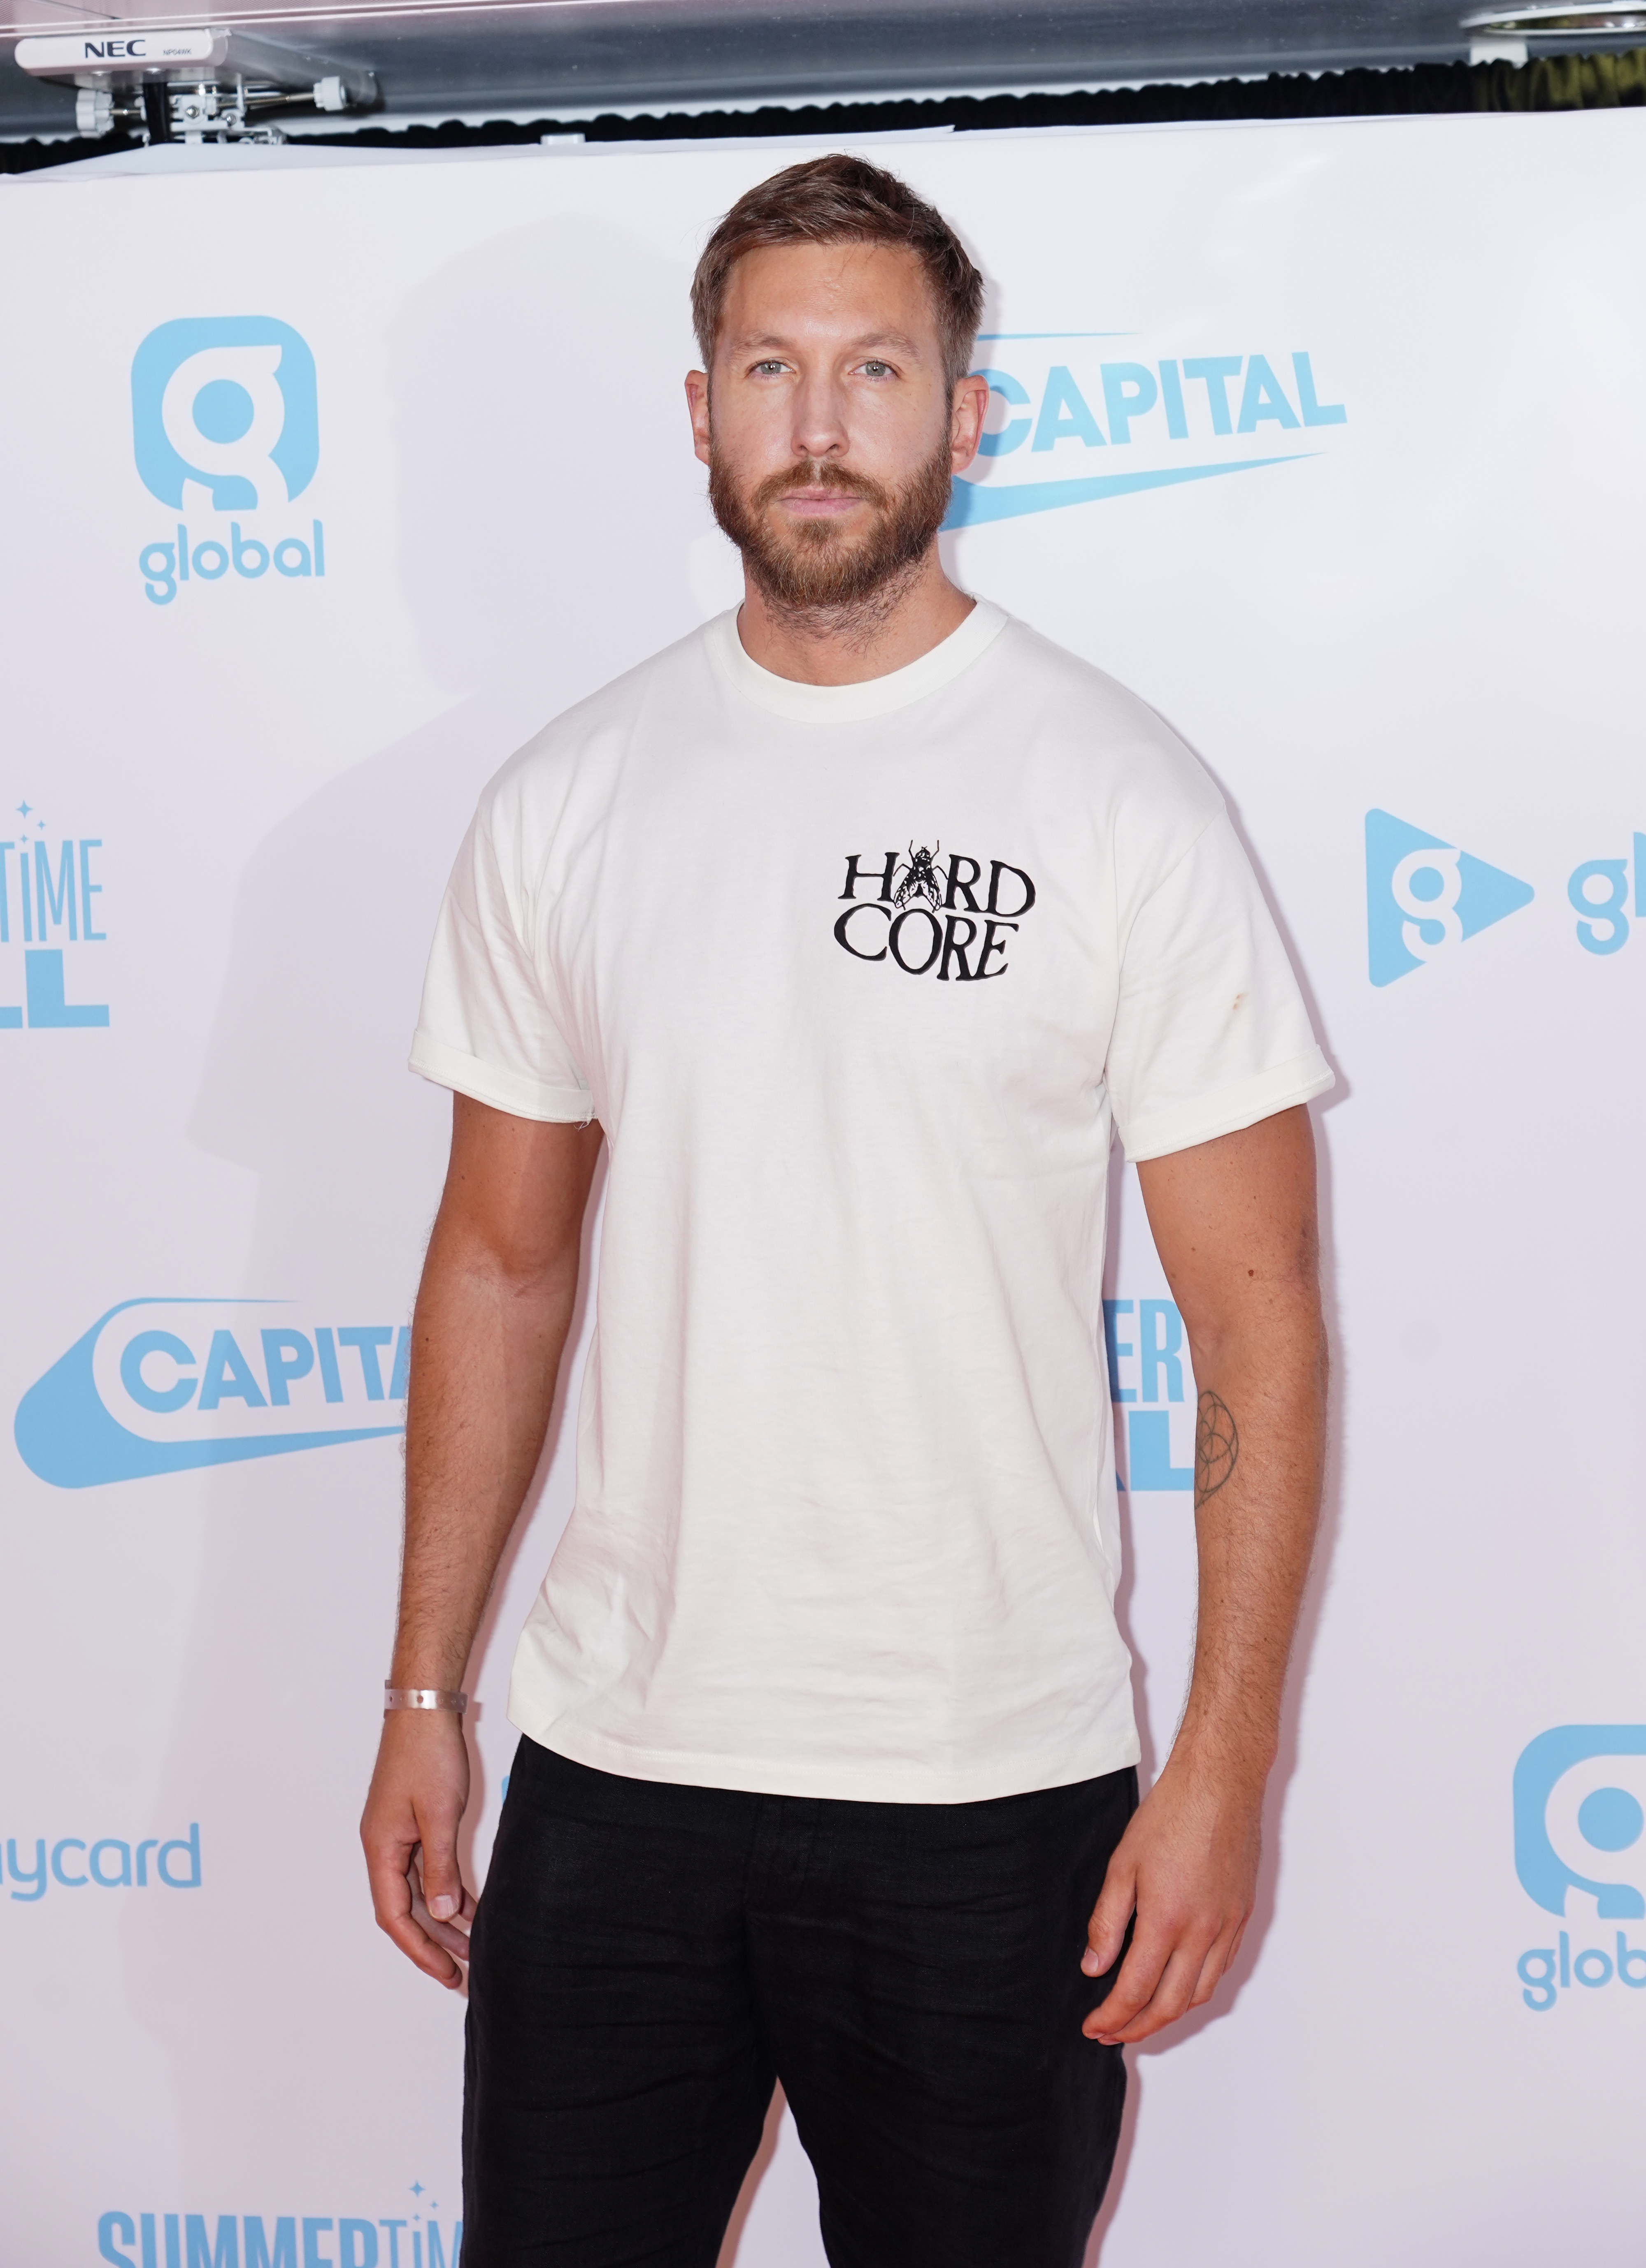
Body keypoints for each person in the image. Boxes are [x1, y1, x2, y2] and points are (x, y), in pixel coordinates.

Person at [361, 152, 1332, 2268]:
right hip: (617, 1768)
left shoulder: (1115, 793)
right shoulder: (568, 797)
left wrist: (1228, 1760)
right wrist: (424, 1691)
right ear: (696, 408)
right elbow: (501, 1261)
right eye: (771, 368)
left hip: (996, 1788)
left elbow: (1251, 1321)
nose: (820, 422)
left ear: (965, 416)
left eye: (876, 368)